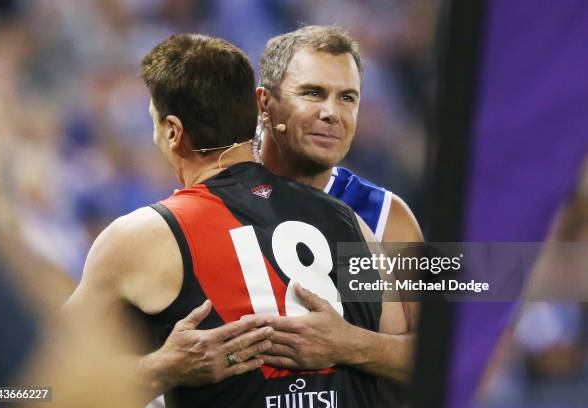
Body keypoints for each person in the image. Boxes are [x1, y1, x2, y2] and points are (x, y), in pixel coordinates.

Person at [66, 33, 401, 407]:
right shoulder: (355, 223)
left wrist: (161, 368)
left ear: (173, 132)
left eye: (154, 124)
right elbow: (418, 373)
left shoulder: (142, 237)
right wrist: (351, 351)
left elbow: (28, 386)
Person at [252, 25, 422, 385]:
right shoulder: (211, 197)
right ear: (265, 104)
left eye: (347, 98)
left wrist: (347, 345)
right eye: (313, 93)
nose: (333, 113)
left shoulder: (385, 216)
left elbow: (438, 357)